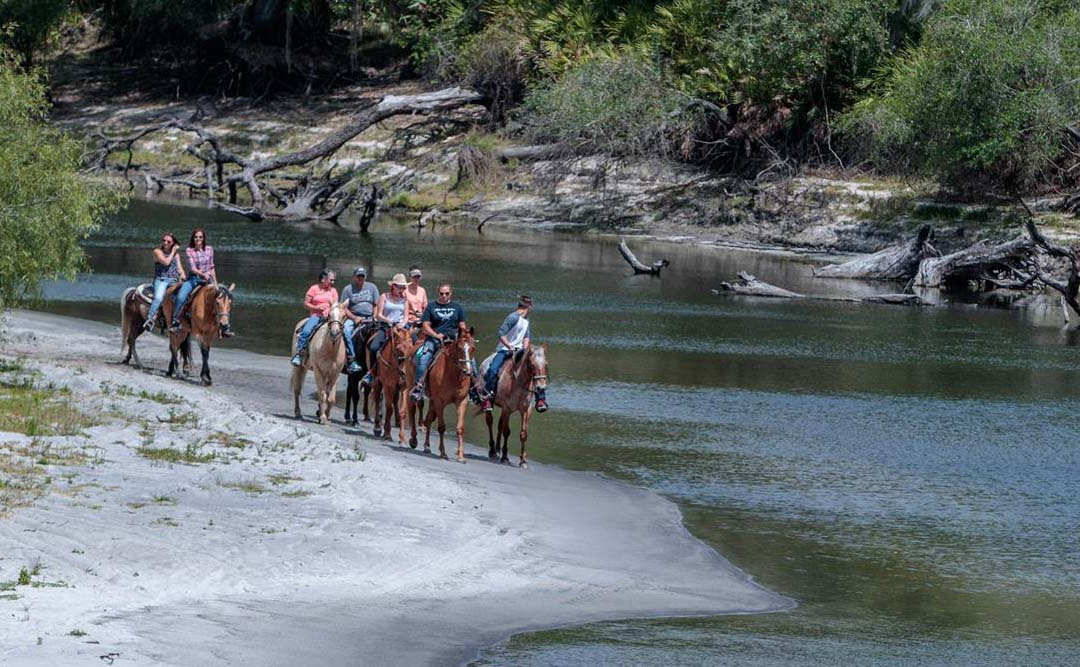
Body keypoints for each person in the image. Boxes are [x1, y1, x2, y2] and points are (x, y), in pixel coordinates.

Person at [481, 295, 547, 413]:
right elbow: (501, 333)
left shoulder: (526, 321)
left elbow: (526, 337)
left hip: (520, 351)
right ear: (530, 307)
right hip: (504, 350)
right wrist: (509, 346)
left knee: (537, 367)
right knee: (493, 369)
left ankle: (540, 400)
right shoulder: (512, 317)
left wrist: (526, 349)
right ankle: (487, 398)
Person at [409, 282, 467, 401]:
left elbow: (462, 325)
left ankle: (476, 387)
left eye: (446, 293)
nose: (444, 296)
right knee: (424, 358)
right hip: (434, 339)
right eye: (441, 293)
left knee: (468, 359)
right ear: (438, 293)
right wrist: (436, 335)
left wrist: (464, 336)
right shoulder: (431, 306)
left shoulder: (457, 307)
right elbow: (425, 326)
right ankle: (418, 387)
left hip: (453, 340)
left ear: (450, 293)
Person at [360, 273, 409, 387]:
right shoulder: (384, 297)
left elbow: (406, 316)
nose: (402, 289)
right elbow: (379, 315)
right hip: (386, 326)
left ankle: (415, 375)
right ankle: (372, 373)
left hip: (401, 327)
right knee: (373, 347)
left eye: (403, 287)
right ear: (393, 286)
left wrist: (402, 323)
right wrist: (389, 321)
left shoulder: (405, 300)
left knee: (416, 347)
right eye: (400, 287)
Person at [170, 228, 216, 333]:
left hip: (208, 280)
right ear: (193, 238)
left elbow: (212, 267)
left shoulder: (209, 249)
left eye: (200, 237)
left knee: (222, 298)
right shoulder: (189, 250)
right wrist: (203, 275)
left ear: (203, 238)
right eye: (196, 237)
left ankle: (223, 325)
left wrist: (215, 283)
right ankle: (175, 321)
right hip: (194, 280)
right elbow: (192, 268)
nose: (198, 239)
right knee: (181, 297)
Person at [291, 269, 339, 366]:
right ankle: (299, 354)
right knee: (306, 331)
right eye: (331, 280)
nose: (332, 282)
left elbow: (336, 305)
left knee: (343, 332)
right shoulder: (314, 289)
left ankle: (349, 357)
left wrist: (332, 308)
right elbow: (306, 303)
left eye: (333, 280)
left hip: (330, 317)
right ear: (323, 279)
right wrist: (316, 308)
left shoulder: (333, 291)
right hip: (316, 315)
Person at [339, 267, 379, 374]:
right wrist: (354, 318)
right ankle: (349, 359)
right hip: (353, 317)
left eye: (363, 276)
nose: (361, 278)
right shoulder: (348, 289)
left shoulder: (372, 287)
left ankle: (376, 362)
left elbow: (376, 304)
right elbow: (343, 307)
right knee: (346, 331)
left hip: (370, 317)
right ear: (354, 277)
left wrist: (374, 317)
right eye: (358, 276)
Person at [144, 233, 185, 331]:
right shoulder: (157, 251)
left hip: (174, 281)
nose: (165, 242)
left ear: (173, 243)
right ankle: (150, 319)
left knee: (183, 297)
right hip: (161, 280)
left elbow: (179, 268)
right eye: (164, 240)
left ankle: (178, 319)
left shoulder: (176, 255)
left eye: (168, 241)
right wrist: (173, 251)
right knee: (158, 297)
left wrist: (182, 274)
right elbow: (166, 262)